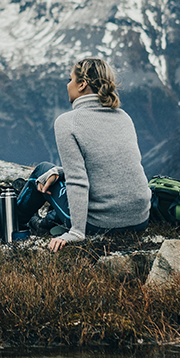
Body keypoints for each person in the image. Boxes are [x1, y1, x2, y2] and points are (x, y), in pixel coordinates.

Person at [21, 57, 150, 253]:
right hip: (140, 219)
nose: (68, 84)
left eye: (70, 79)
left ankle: (10, 220)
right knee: (51, 172)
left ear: (82, 84)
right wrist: (61, 172)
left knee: (41, 171)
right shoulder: (124, 117)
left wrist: (77, 232)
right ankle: (44, 219)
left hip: (101, 223)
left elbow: (78, 181)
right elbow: (108, 164)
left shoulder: (67, 122)